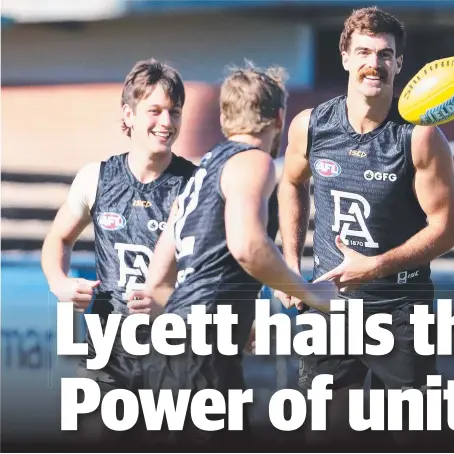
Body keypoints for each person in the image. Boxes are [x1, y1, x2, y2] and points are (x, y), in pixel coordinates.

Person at [276, 6, 454, 449]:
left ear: (399, 64)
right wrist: (289, 264)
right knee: (324, 430)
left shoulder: (420, 136)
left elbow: (447, 229)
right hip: (330, 307)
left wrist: (376, 266)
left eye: (385, 54)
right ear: (344, 57)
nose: (373, 64)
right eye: (363, 51)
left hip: (401, 308)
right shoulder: (311, 126)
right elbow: (290, 183)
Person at [138, 62, 337, 446]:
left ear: (226, 117)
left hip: (171, 351)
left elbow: (159, 282)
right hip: (201, 357)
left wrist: (234, 320)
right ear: (279, 117)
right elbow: (246, 246)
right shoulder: (252, 161)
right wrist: (308, 292)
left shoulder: (201, 173)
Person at [41, 58, 197, 443]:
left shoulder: (195, 184)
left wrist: (171, 300)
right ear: (128, 114)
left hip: (174, 352)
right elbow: (58, 239)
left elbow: (216, 269)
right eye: (155, 110)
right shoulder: (96, 178)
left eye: (174, 112)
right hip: (108, 352)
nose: (166, 122)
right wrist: (58, 282)